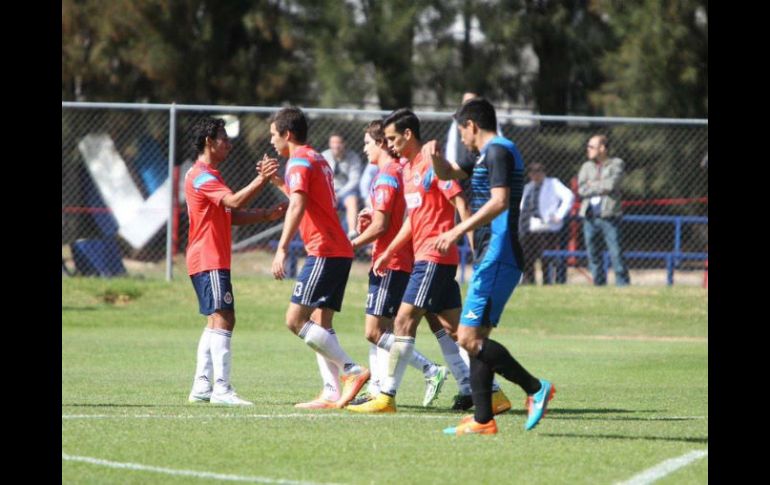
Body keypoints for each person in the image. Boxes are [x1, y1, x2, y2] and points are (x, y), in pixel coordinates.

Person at [347, 108, 500, 414]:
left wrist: (474, 249)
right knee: (458, 331)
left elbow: (459, 201)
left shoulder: (431, 164)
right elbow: (412, 219)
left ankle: (385, 397)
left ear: (408, 135)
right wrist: (390, 249)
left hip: (434, 256)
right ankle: (494, 394)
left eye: (393, 139)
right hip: (425, 257)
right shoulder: (407, 170)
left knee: (403, 320)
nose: (390, 145)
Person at [424, 97, 555, 435]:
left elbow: (498, 202)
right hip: (492, 253)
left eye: (461, 131)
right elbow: (449, 174)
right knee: (476, 337)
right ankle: (483, 420)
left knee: (466, 337)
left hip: (499, 252)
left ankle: (535, 388)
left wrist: (456, 230)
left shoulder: (498, 150)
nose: (462, 138)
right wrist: (437, 161)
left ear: (472, 126)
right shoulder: (484, 154)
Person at [267, 107, 370, 409]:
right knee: (319, 323)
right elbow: (307, 199)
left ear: (287, 134)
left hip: (323, 250)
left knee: (295, 320)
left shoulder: (298, 161)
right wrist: (278, 184)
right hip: (338, 250)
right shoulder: (317, 158)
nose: (272, 141)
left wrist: (282, 248)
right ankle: (331, 392)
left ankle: (352, 371)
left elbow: (298, 206)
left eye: (274, 135)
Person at [185, 117, 287, 406]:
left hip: (209, 257)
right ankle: (222, 389)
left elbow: (230, 215)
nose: (229, 144)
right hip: (208, 257)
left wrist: (265, 216)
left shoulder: (210, 175)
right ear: (209, 141)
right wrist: (262, 179)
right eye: (224, 138)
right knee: (225, 318)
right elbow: (232, 202)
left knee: (215, 320)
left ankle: (202, 386)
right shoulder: (201, 175)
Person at [347, 120, 449, 408]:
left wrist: (351, 244)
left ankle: (430, 369)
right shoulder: (401, 172)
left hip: (393, 263)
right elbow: (397, 215)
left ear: (380, 143)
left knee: (375, 331)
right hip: (400, 259)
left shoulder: (388, 174)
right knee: (385, 331)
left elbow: (383, 225)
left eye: (367, 142)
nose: (364, 148)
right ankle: (380, 389)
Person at [578, 135, 630, 286]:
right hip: (589, 216)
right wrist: (600, 186)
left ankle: (622, 285)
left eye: (591, 147)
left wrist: (592, 184)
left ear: (602, 148)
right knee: (593, 253)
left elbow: (612, 185)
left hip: (609, 216)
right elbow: (581, 189)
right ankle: (598, 284)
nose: (588, 150)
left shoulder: (616, 164)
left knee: (616, 253)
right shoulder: (586, 167)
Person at [518, 162, 575, 285]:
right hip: (529, 226)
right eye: (532, 172)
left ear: (544, 172)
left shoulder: (553, 183)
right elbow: (521, 206)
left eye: (539, 171)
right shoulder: (528, 187)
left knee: (546, 257)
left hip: (547, 227)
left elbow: (569, 196)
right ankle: (529, 281)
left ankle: (547, 281)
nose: (536, 174)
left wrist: (559, 214)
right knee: (527, 256)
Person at [322, 134, 363, 238]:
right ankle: (326, 234)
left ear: (344, 144)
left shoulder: (353, 157)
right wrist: (331, 193)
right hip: (328, 190)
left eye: (338, 143)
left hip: (346, 191)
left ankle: (352, 232)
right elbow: (320, 179)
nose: (335, 146)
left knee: (352, 200)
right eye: (333, 143)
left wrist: (339, 194)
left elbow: (355, 180)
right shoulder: (323, 156)